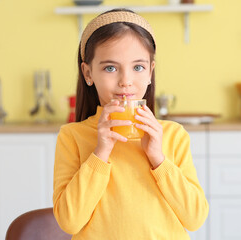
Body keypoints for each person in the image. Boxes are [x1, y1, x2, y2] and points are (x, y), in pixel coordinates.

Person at [53, 8, 209, 240]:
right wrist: (100, 152)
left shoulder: (174, 135)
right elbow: (69, 221)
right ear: (88, 73)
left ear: (150, 73)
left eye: (138, 67)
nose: (126, 81)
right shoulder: (72, 136)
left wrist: (158, 158)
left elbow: (194, 218)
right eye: (110, 68)